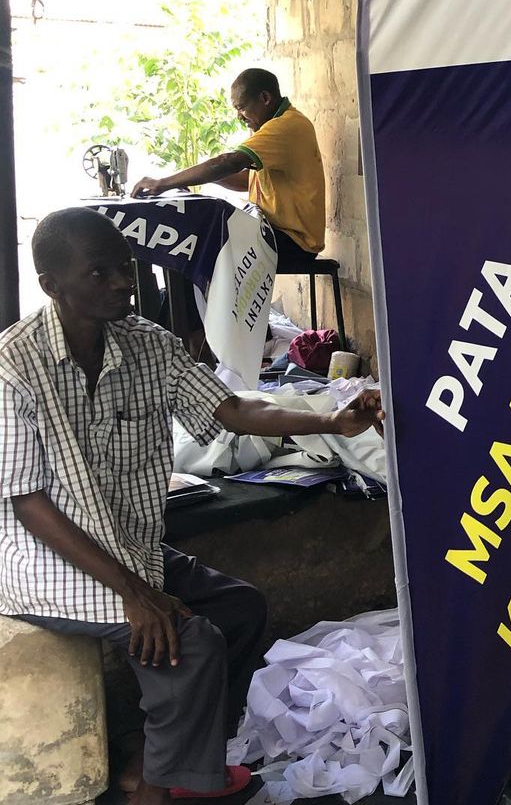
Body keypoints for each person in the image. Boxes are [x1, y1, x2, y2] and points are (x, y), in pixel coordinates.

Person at [0, 208, 383, 805]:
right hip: (50, 560)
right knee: (190, 640)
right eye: (99, 273)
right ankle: (155, 794)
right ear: (52, 285)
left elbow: (232, 410)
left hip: (130, 545)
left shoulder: (149, 344)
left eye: (125, 267)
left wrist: (330, 420)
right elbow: (28, 503)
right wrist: (137, 594)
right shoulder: (15, 366)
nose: (123, 283)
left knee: (241, 608)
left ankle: (174, 762)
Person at [131, 68, 326, 268]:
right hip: (272, 233)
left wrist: (164, 183)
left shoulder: (286, 126)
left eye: (241, 108)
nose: (239, 117)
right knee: (191, 235)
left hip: (293, 243)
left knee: (193, 243)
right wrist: (186, 179)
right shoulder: (274, 125)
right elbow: (247, 181)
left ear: (265, 98)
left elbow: (228, 162)